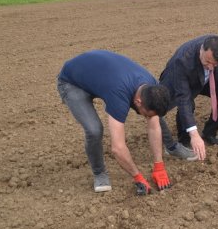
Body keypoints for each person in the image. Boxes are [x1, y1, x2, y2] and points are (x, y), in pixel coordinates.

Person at [57, 50, 172, 195]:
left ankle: (170, 150)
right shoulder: (119, 94)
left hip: (97, 75)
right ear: (138, 101)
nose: (147, 118)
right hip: (72, 82)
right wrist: (138, 177)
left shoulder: (152, 86)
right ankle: (99, 173)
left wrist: (159, 166)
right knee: (94, 130)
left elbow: (154, 126)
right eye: (146, 115)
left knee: (154, 117)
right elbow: (117, 147)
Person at [159, 34, 218, 161]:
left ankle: (209, 133)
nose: (210, 67)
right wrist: (194, 133)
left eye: (214, 64)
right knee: (184, 104)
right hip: (179, 79)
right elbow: (183, 99)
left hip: (205, 79)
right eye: (207, 61)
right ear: (202, 49)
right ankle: (185, 140)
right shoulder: (183, 60)